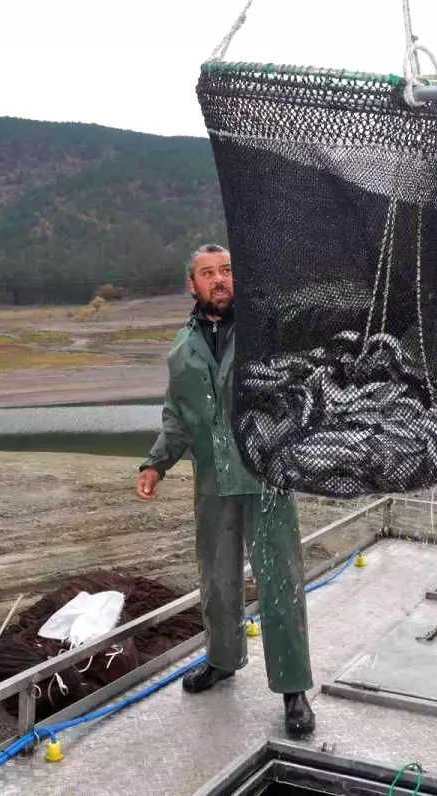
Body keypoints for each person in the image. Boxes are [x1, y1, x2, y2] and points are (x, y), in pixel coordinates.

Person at [134, 243, 316, 738]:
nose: (219, 279)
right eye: (208, 272)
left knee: (279, 582)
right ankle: (221, 659)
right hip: (212, 481)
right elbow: (177, 418)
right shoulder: (182, 349)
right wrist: (155, 465)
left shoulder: (267, 332)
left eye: (228, 270)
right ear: (191, 285)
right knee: (216, 579)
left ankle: (293, 688)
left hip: (266, 477)